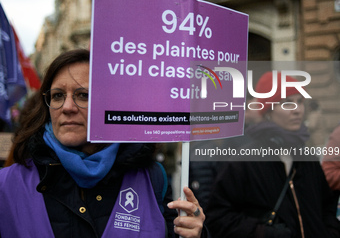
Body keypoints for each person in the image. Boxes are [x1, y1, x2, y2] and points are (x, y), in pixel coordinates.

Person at [0, 49, 208, 238]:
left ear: (113, 104)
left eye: (83, 95)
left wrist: (195, 234)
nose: (68, 107)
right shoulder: (7, 184)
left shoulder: (152, 178)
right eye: (57, 96)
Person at [205, 71, 340, 238]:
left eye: (300, 102)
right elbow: (218, 217)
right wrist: (265, 233)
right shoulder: (244, 161)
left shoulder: (307, 157)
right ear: (268, 111)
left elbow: (326, 206)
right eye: (287, 103)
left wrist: (330, 232)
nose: (297, 110)